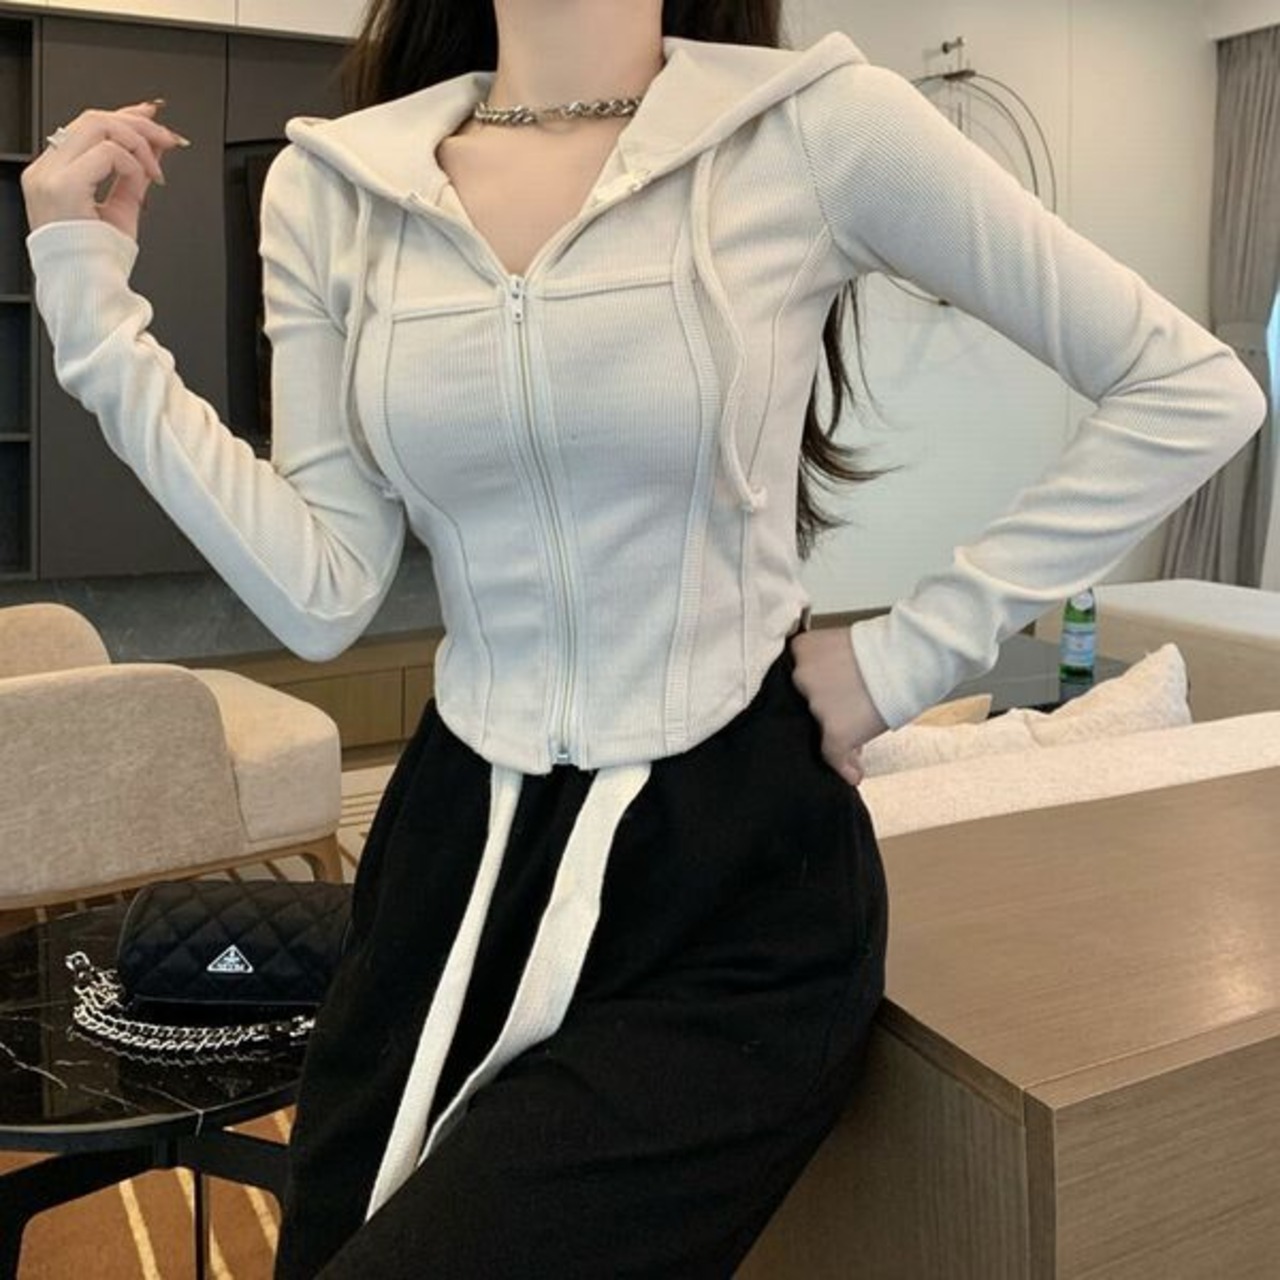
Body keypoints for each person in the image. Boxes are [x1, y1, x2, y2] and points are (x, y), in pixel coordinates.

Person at [21, 0, 1265, 1274]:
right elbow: (324, 589)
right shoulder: (333, 184)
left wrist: (905, 656)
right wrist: (92, 310)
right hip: (447, 852)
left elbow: (1187, 386)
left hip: (732, 873)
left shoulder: (813, 126)